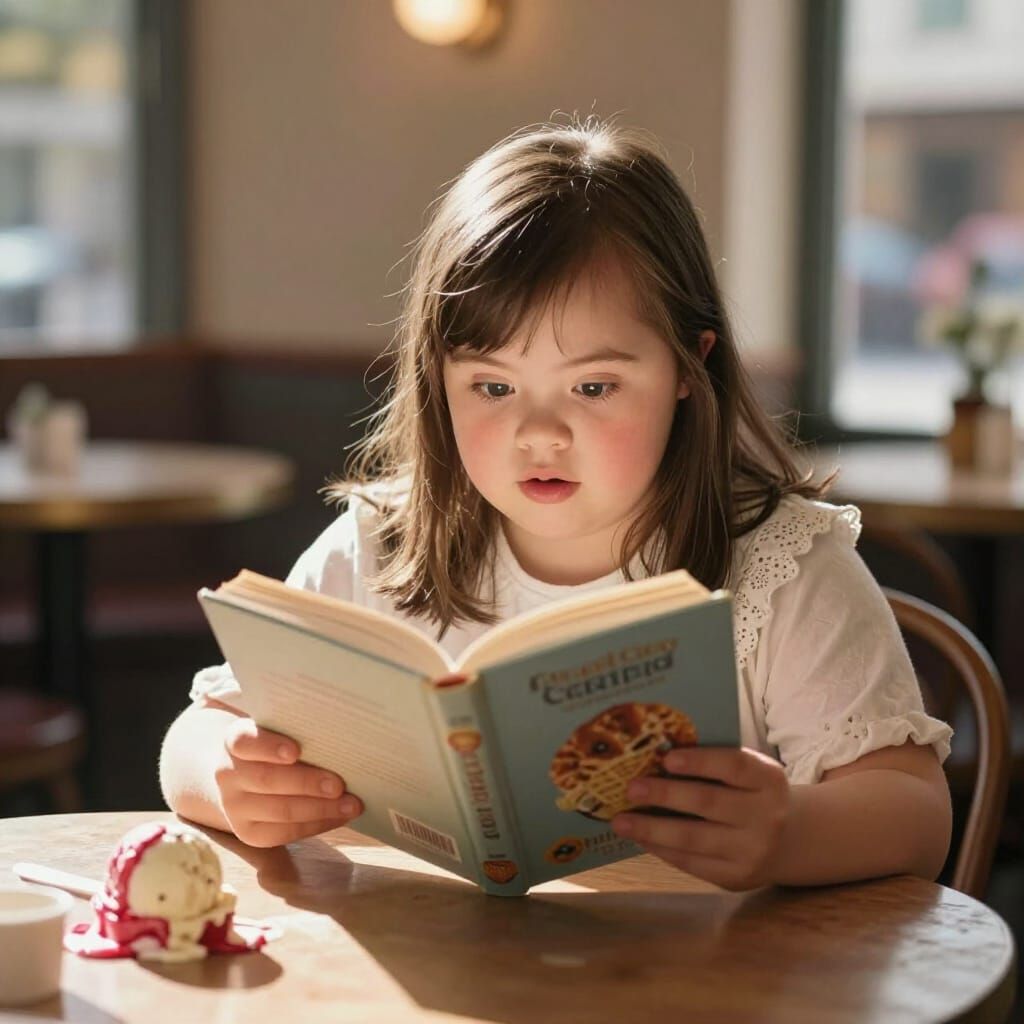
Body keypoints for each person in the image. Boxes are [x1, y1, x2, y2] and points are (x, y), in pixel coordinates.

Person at [160, 117, 953, 891]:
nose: (539, 433)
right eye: (494, 387)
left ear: (688, 367)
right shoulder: (376, 546)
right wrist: (227, 776)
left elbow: (916, 814)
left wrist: (791, 834)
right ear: (438, 377)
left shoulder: (784, 569)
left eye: (594, 386)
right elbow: (194, 738)